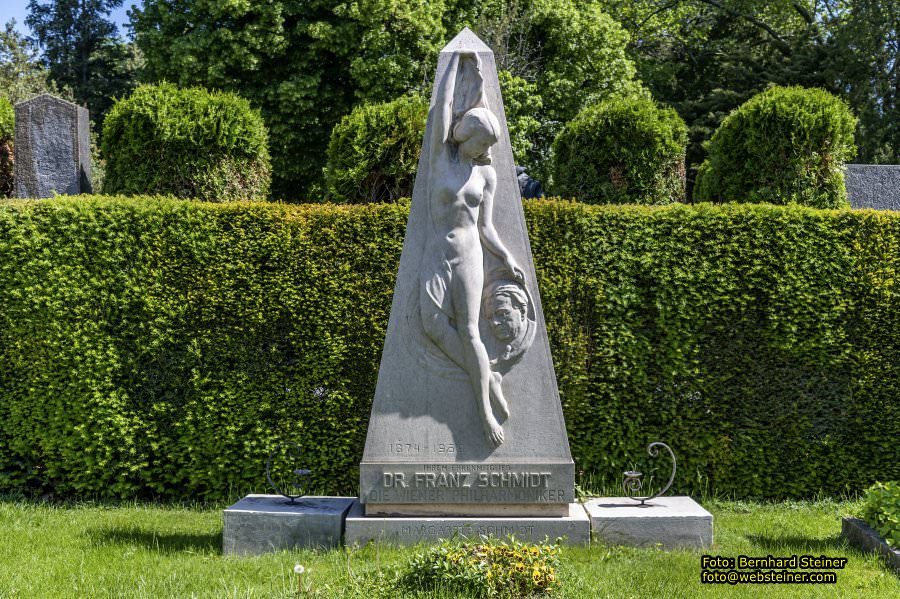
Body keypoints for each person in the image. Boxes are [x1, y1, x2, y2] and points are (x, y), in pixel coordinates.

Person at [419, 51, 523, 448]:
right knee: (431, 324)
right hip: (436, 253)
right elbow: (443, 107)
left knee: (469, 330)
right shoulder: (441, 159)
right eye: (481, 141)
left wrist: (506, 256)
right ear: (467, 135)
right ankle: (487, 376)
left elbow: (486, 228)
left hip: (469, 255)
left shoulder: (487, 175)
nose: (484, 149)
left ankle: (484, 409)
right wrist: (451, 65)